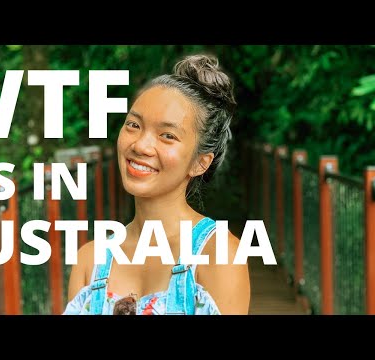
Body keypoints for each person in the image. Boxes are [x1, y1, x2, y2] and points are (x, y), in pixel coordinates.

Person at [64, 54, 250, 315]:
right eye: (133, 125)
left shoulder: (219, 255)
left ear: (200, 162)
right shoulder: (90, 260)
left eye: (167, 135)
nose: (140, 145)